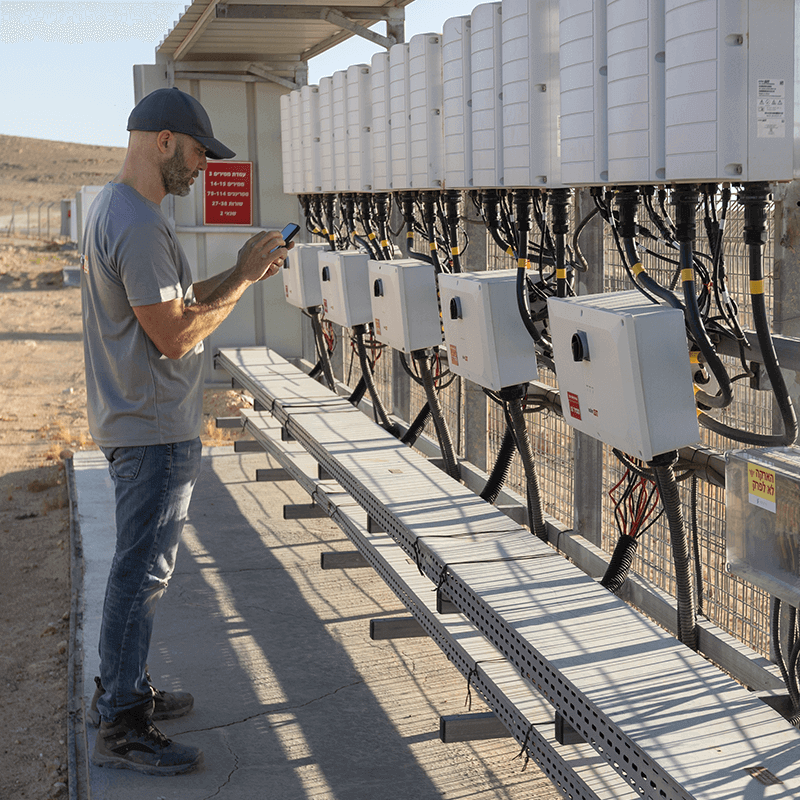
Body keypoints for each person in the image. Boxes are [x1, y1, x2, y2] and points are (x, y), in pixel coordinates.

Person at [81, 86, 293, 776]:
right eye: (200, 151)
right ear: (165, 140)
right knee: (140, 574)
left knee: (139, 571)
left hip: (142, 421)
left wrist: (241, 269)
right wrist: (243, 286)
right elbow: (175, 335)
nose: (204, 166)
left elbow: (175, 300)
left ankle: (122, 689)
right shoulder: (138, 225)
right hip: (150, 428)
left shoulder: (125, 211)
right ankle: (120, 723)